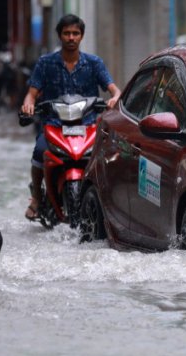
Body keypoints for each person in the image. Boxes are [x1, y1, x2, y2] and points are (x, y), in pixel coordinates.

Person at [21, 14, 121, 220]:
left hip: (88, 125)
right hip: (54, 124)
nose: (71, 37)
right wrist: (28, 105)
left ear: (81, 36)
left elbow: (115, 90)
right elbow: (32, 94)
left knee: (108, 156)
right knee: (39, 152)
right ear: (60, 36)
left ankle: (107, 200)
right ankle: (37, 199)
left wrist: (114, 99)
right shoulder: (45, 63)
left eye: (75, 33)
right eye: (67, 33)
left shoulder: (94, 63)